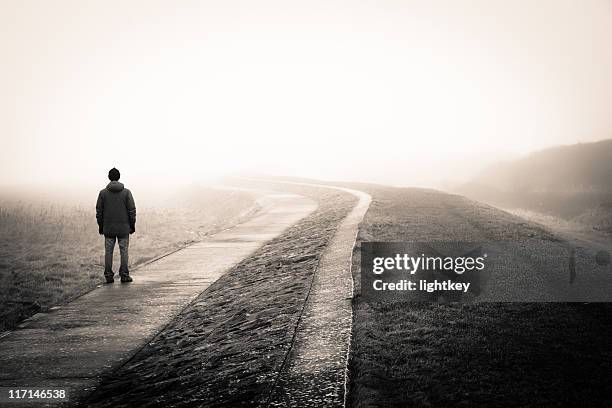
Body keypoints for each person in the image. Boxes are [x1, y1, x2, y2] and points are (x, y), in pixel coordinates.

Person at [96, 168, 136, 283]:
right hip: (124, 228)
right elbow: (132, 210)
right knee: (124, 251)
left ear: (109, 177)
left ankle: (108, 276)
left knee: (108, 252)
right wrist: (132, 225)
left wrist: (101, 226)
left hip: (108, 228)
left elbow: (99, 212)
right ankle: (124, 275)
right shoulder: (126, 192)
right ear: (119, 177)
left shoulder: (102, 193)